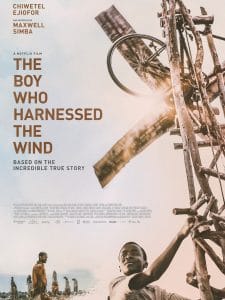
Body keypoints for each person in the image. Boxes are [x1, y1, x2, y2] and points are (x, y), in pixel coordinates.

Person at [109, 218, 194, 300]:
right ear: (119, 267)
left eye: (134, 253)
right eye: (123, 255)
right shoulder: (117, 286)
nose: (128, 256)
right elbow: (151, 275)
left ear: (145, 264)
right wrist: (179, 236)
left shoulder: (158, 293)